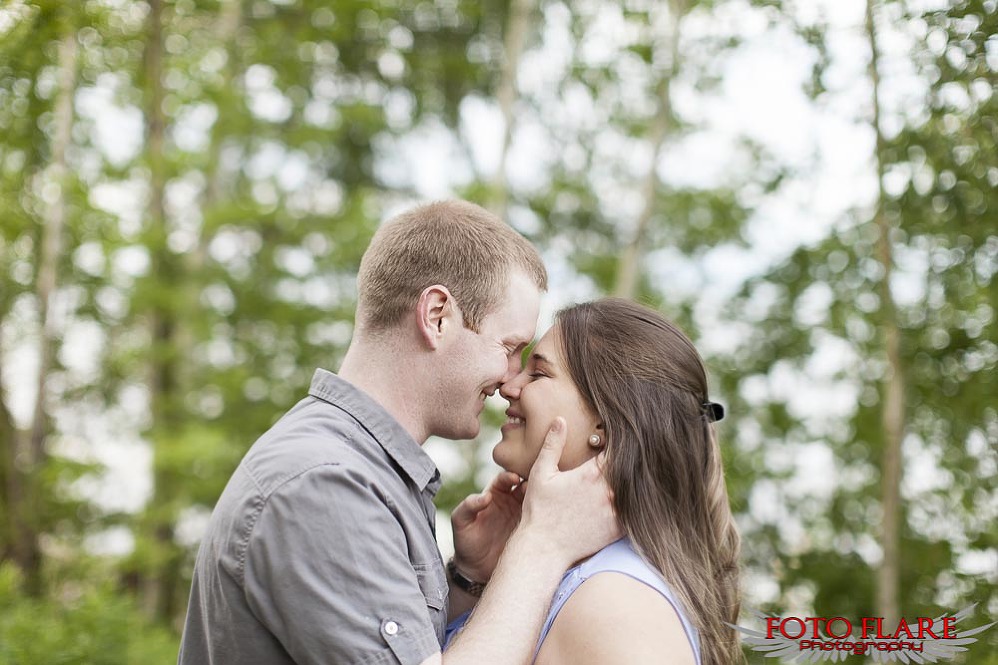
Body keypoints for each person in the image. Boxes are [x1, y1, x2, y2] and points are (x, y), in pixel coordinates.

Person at [178, 200, 619, 665]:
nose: (511, 379)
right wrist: (543, 544)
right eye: (509, 347)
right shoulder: (325, 484)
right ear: (437, 316)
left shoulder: (365, 473)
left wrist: (468, 580)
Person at [448, 298, 742, 665]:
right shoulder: (568, 576)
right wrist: (472, 579)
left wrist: (540, 545)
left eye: (538, 374)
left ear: (603, 424)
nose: (509, 385)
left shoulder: (618, 606)